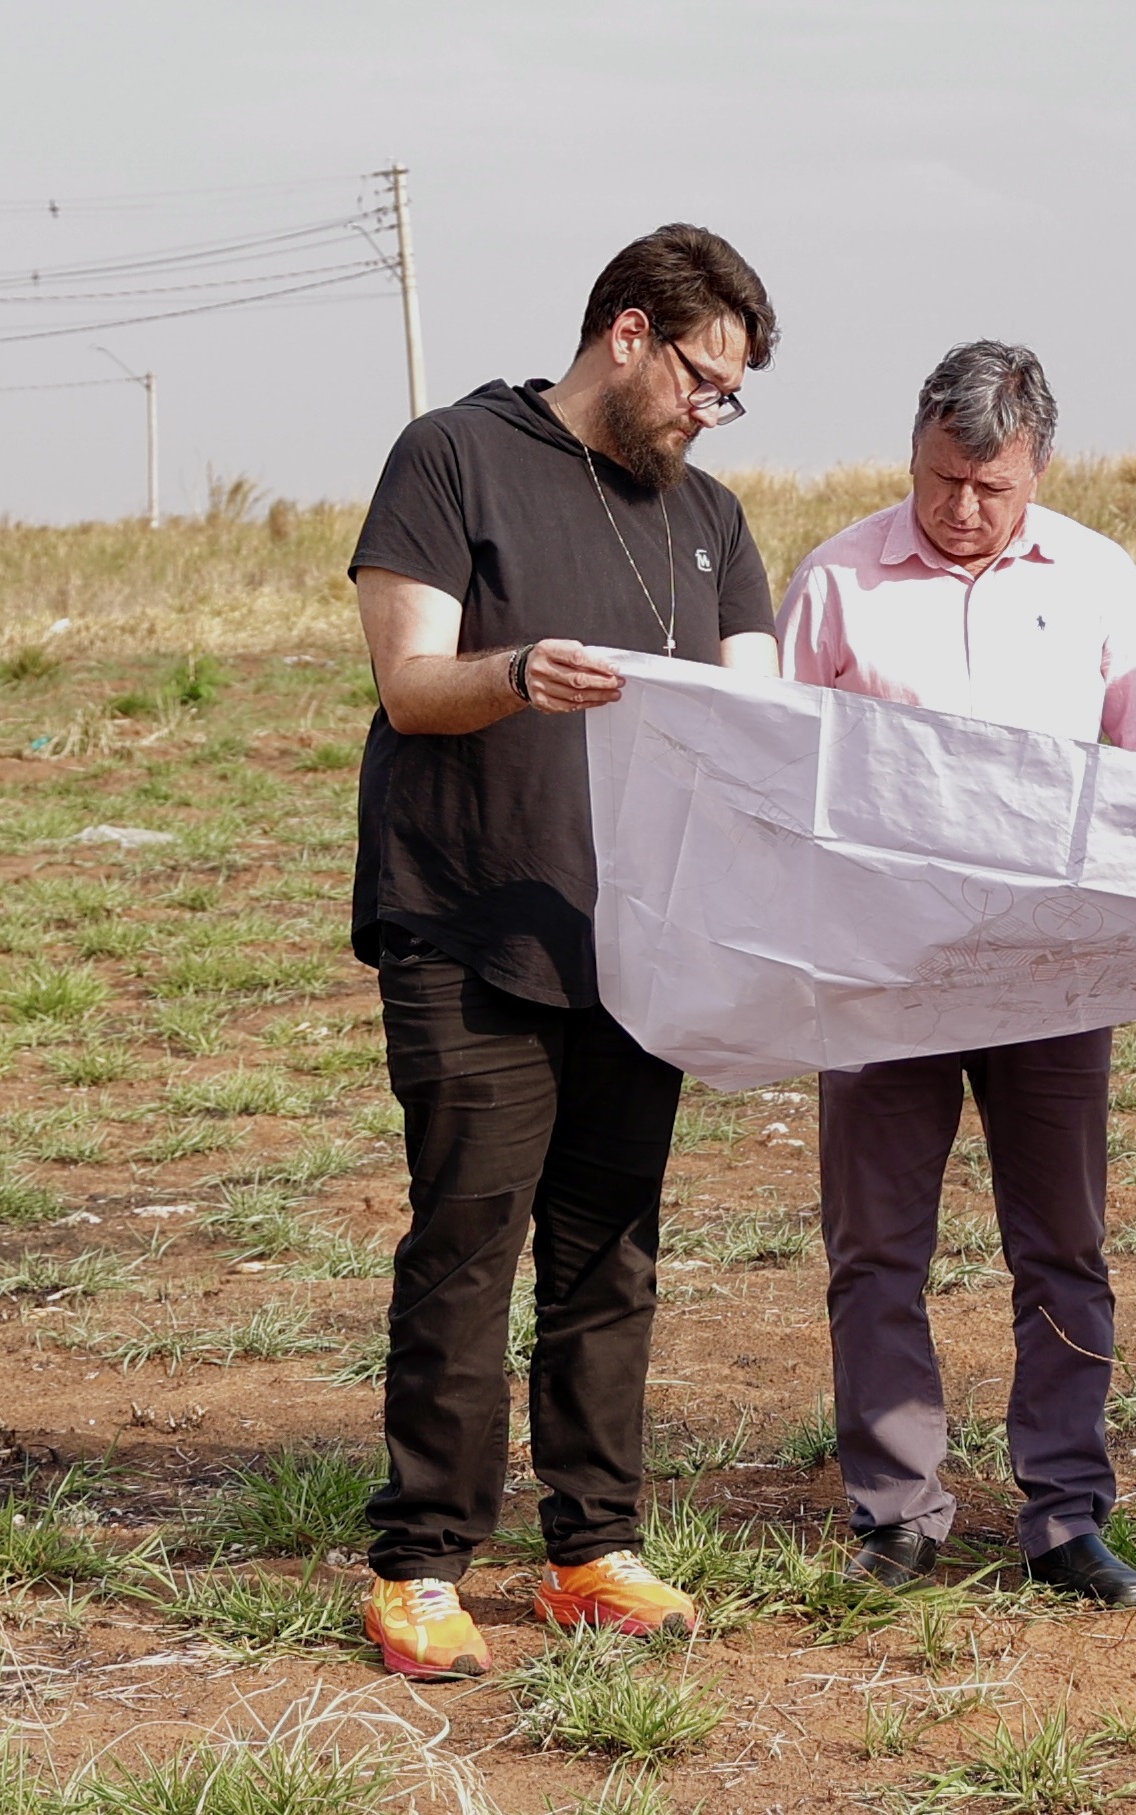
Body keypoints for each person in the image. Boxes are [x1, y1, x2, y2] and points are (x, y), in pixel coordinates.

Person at [346, 223, 782, 1679]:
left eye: (730, 396)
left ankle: (593, 1549)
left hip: (636, 944)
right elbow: (410, 685)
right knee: (467, 1248)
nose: (709, 411)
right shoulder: (450, 458)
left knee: (611, 1253)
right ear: (627, 333)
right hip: (470, 924)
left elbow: (758, 715)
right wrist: (520, 674)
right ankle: (420, 1561)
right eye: (702, 379)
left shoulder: (711, 518)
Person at [778, 341, 1136, 1607]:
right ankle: (896, 1513)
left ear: (1040, 470)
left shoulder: (1099, 579)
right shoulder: (836, 581)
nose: (961, 510)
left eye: (991, 488)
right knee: (875, 1249)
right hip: (883, 973)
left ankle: (1066, 1517)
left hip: (1053, 976)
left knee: (1063, 1246)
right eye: (940, 480)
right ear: (913, 452)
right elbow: (779, 772)